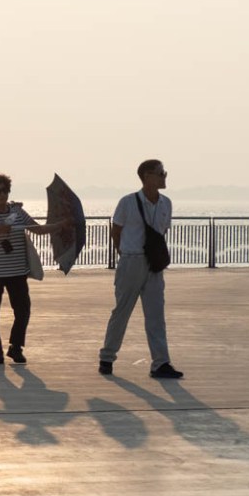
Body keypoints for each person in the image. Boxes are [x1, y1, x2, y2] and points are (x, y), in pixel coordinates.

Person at [0, 173, 68, 366]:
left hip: (17, 272)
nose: (2, 195)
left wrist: (60, 226)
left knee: (23, 311)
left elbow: (37, 229)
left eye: (5, 190)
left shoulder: (18, 213)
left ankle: (15, 347)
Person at [99, 159, 181, 378]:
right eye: (161, 173)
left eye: (164, 173)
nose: (164, 177)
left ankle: (161, 363)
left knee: (156, 314)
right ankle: (107, 357)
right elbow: (116, 231)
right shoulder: (127, 202)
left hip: (154, 264)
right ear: (147, 176)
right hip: (131, 260)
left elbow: (162, 232)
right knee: (122, 311)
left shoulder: (166, 203)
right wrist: (124, 254)